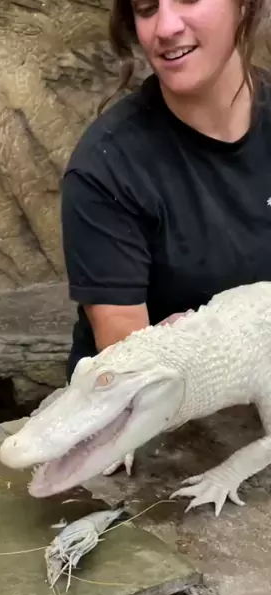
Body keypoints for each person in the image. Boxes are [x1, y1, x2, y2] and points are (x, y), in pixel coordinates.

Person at [61, 0, 271, 382]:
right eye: (146, 8)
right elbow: (129, 372)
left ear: (245, 6)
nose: (165, 27)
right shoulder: (106, 167)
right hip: (153, 403)